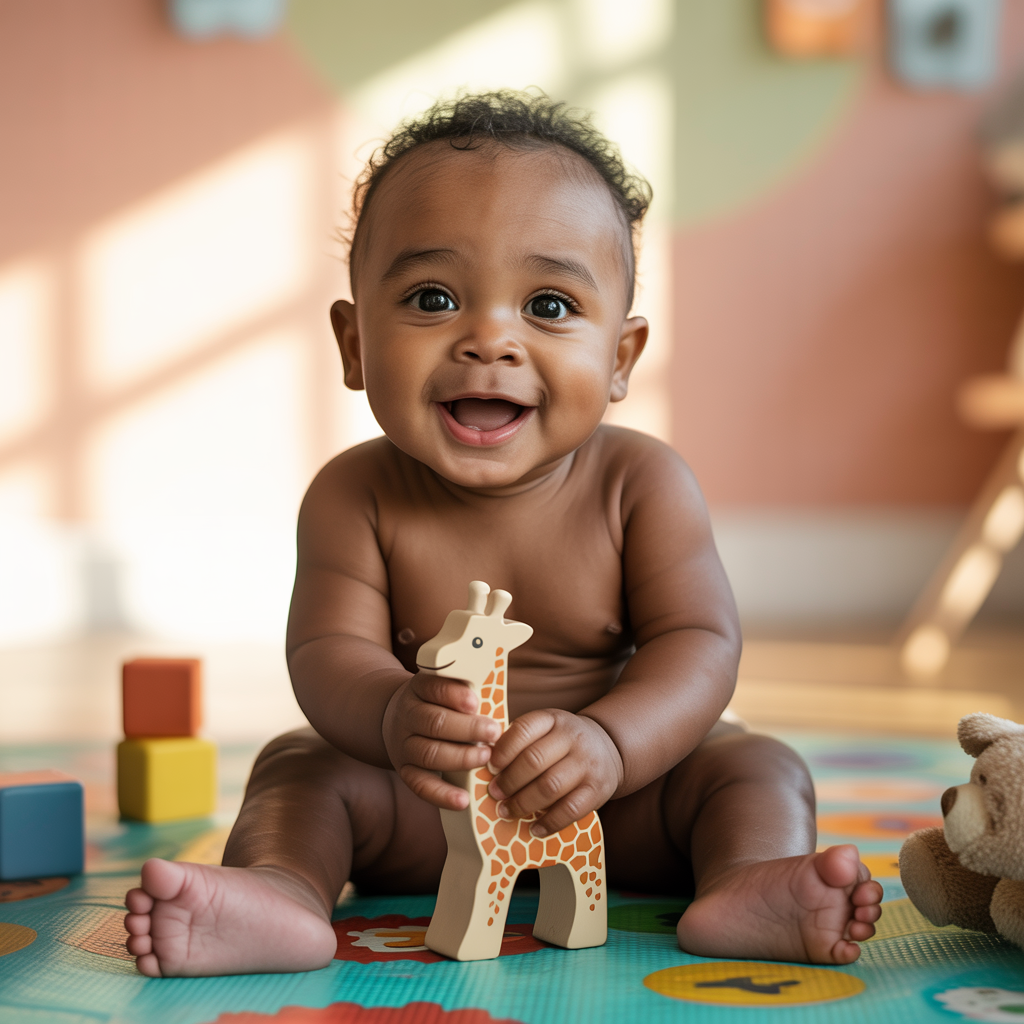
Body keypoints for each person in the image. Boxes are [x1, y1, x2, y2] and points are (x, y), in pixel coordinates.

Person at [123, 91, 883, 977]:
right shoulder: (353, 494)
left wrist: (614, 743)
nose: (489, 338)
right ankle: (281, 892)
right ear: (355, 340)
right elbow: (327, 650)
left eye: (550, 305)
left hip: (620, 805)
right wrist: (388, 715)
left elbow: (700, 644)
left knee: (755, 766)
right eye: (434, 297)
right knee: (300, 767)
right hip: (422, 803)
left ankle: (749, 884)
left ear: (622, 358)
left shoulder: (642, 484)